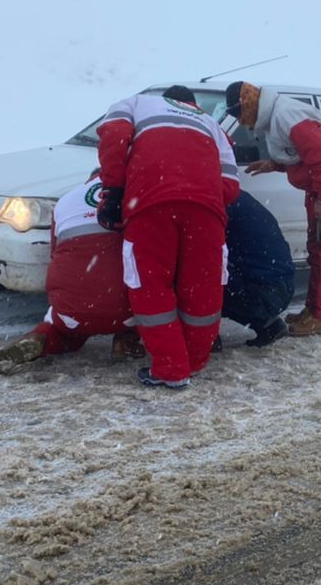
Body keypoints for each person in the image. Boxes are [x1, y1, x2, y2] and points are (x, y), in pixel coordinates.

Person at [96, 85, 240, 387]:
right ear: (192, 103)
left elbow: (113, 137)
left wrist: (115, 189)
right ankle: (195, 359)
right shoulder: (210, 123)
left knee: (149, 282)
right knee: (203, 285)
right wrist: (195, 187)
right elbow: (230, 184)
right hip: (206, 210)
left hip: (150, 202)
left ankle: (171, 368)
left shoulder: (136, 103)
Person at [225, 81, 321, 336]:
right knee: (315, 246)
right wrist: (274, 165)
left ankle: (319, 315)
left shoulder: (286, 116)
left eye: (238, 114)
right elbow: (301, 156)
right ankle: (313, 310)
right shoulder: (277, 116)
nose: (241, 122)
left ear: (249, 105)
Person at [0, 173, 143, 375]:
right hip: (125, 305)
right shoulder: (138, 193)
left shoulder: (67, 199)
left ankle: (39, 339)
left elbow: (55, 252)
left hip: (72, 299)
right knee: (149, 296)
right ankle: (126, 340)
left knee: (64, 328)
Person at [223, 190, 295, 347]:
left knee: (199, 273)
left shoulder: (222, 203)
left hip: (265, 291)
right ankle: (268, 325)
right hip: (277, 287)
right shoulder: (234, 196)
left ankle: (202, 338)